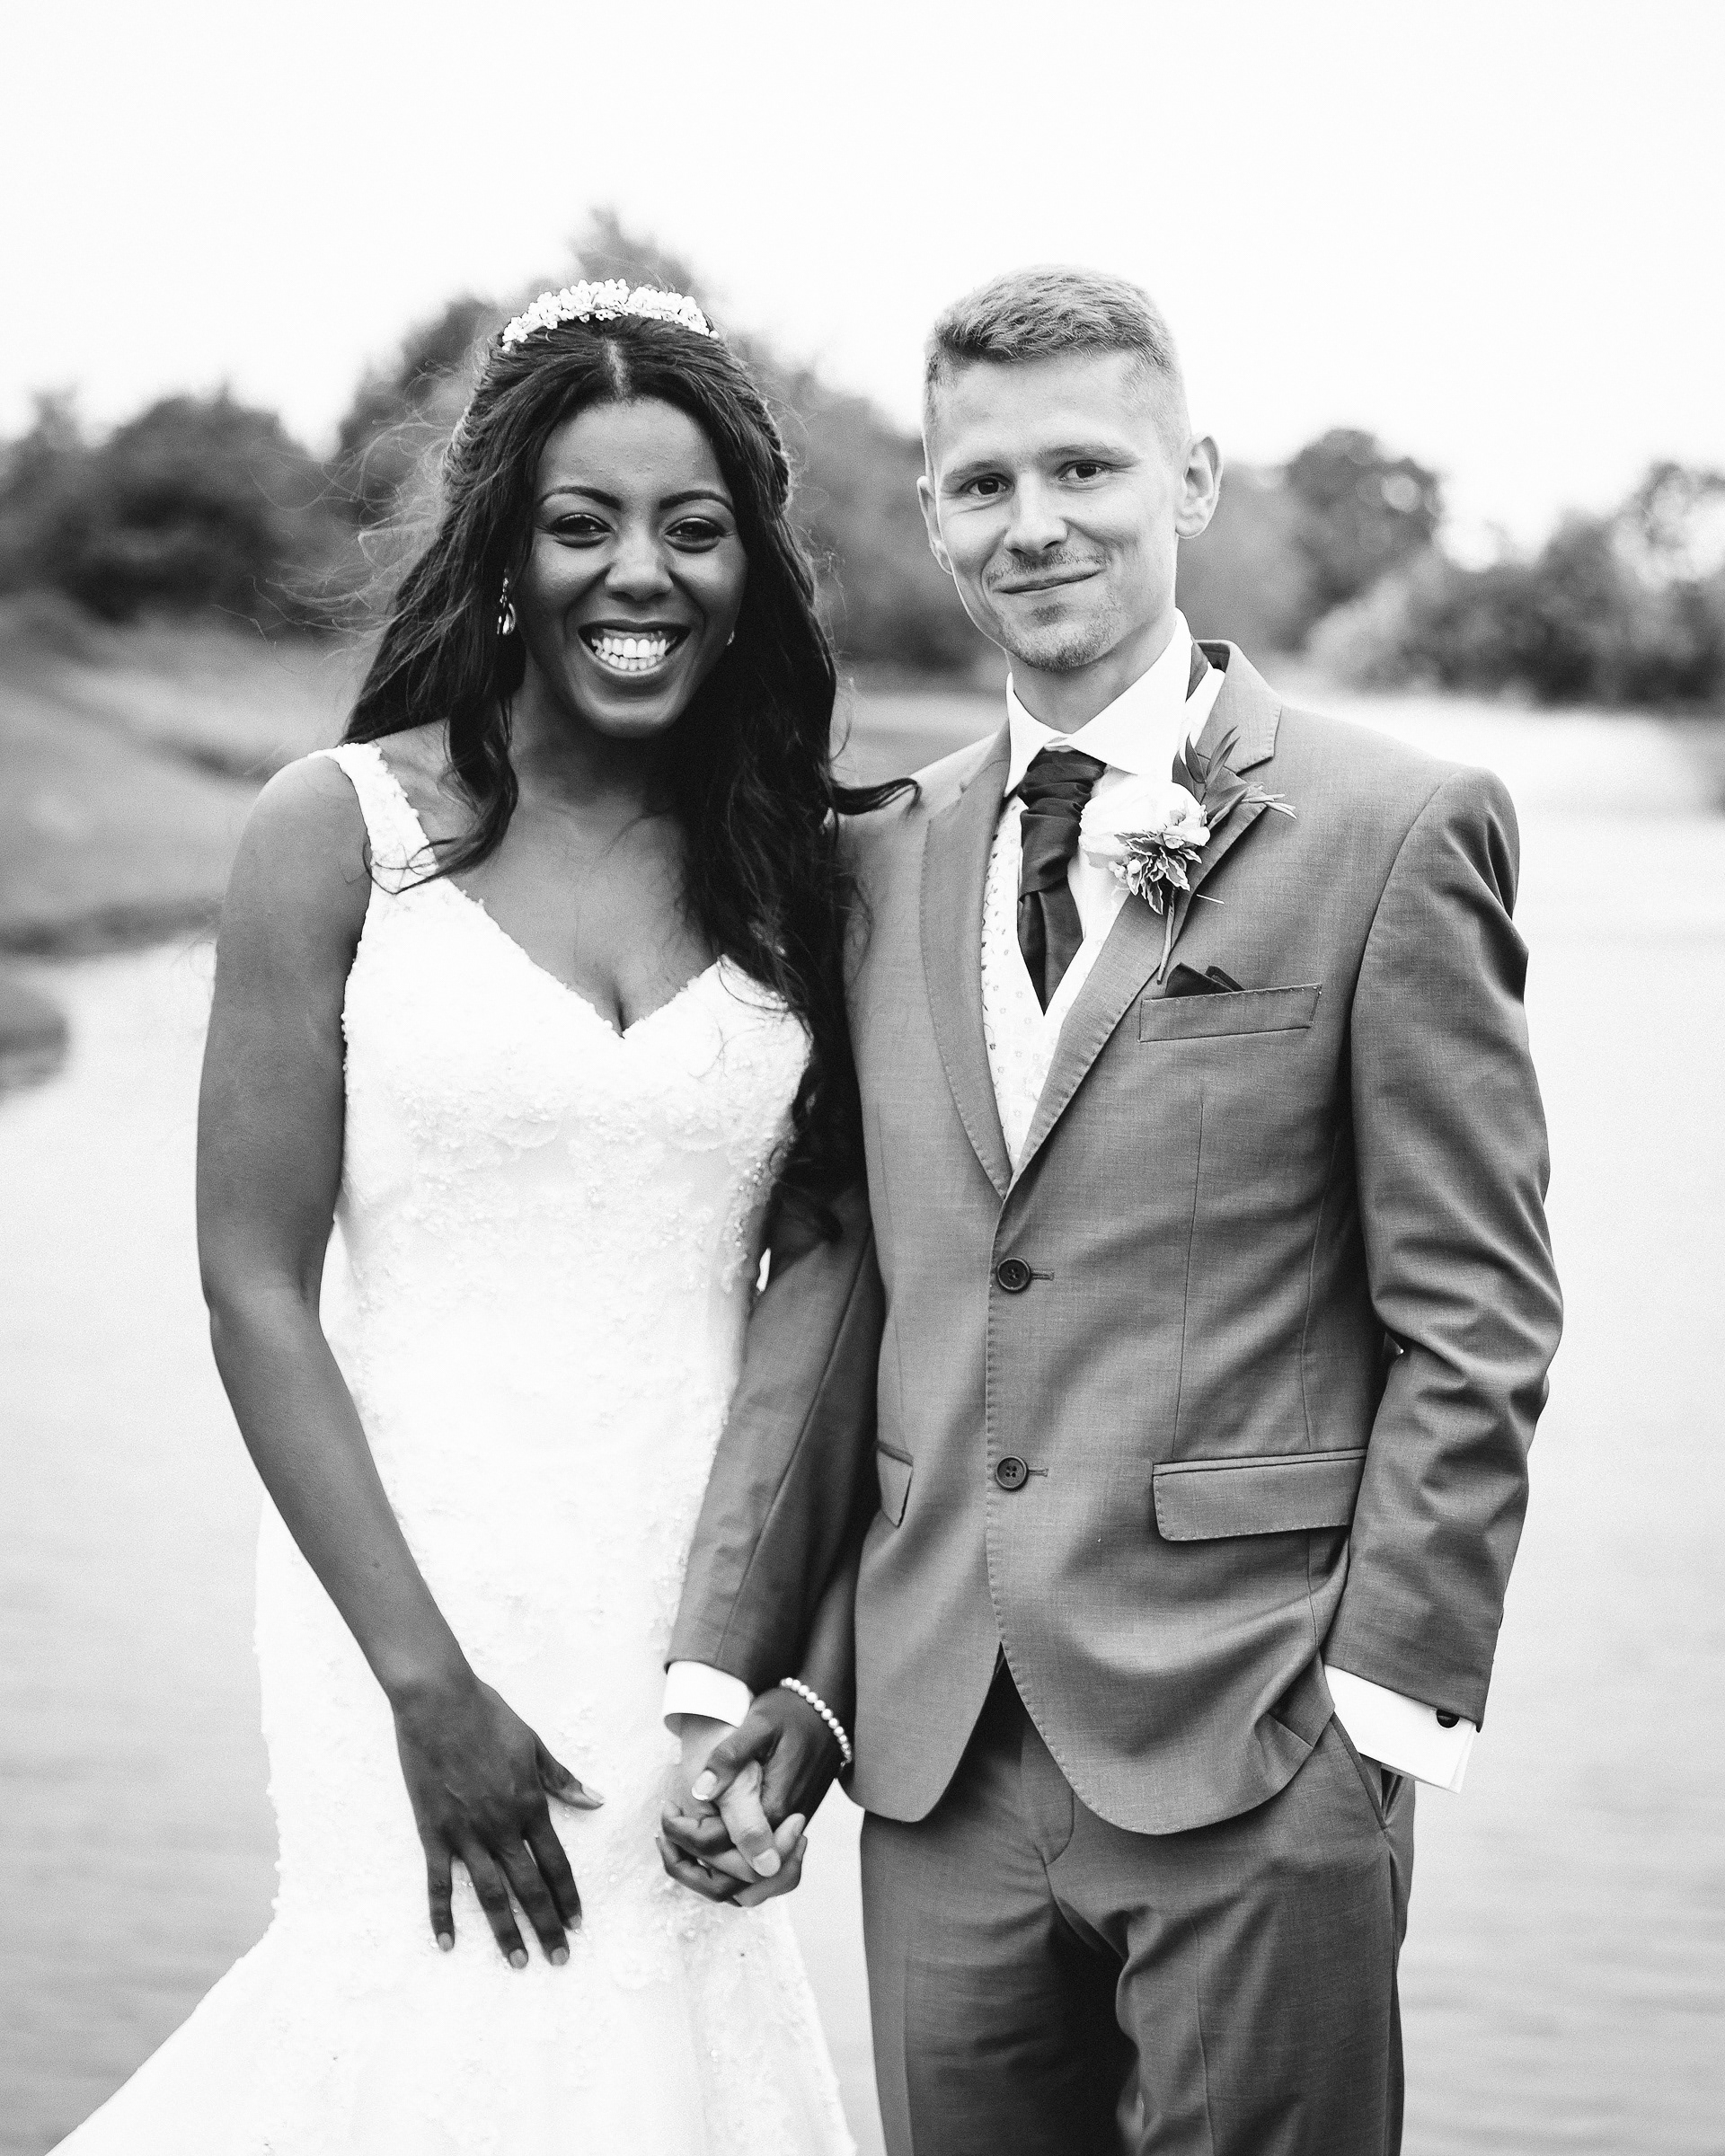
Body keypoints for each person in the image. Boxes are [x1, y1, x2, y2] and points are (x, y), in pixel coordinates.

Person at [661, 267, 1564, 2156]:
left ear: (1194, 479)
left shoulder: (1392, 831)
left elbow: (1475, 1316)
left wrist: (1375, 1724)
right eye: (982, 483)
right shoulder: (871, 861)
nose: (1035, 521)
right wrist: (784, 1684)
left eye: (1086, 466)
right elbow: (856, 1297)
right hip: (929, 1768)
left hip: (1257, 1747)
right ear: (929, 518)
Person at [53, 279, 886, 2155]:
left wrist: (805, 1692)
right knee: (423, 2026)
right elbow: (250, 1288)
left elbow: (845, 1301)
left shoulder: (795, 874)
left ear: (749, 565)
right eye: (581, 524)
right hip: (406, 1602)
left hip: (692, 1607)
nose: (638, 573)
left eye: (692, 528)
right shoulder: (332, 834)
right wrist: (424, 1682)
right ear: (503, 560)